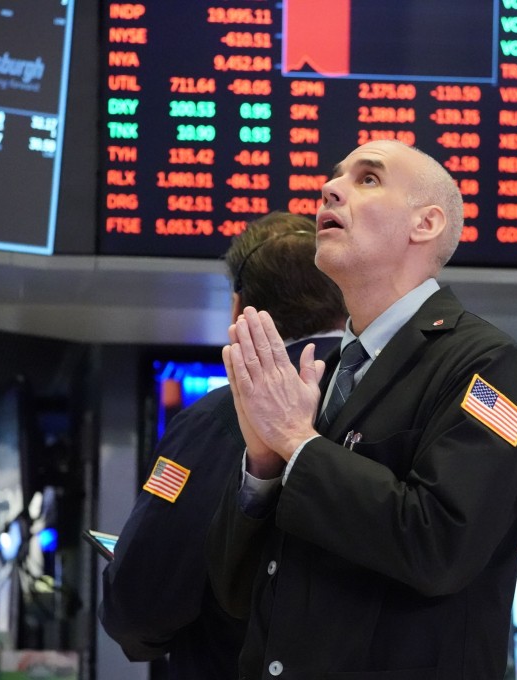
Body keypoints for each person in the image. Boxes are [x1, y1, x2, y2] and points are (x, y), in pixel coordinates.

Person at [207, 139, 517, 679]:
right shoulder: (326, 373)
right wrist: (264, 467)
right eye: (336, 176)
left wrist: (298, 444)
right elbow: (235, 592)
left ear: (426, 224)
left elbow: (441, 545)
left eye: (368, 179)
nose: (330, 188)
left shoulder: (488, 365)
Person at [98, 212, 346, 678]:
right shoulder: (390, 397)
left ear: (238, 310)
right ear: (345, 298)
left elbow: (142, 603)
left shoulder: (219, 419)